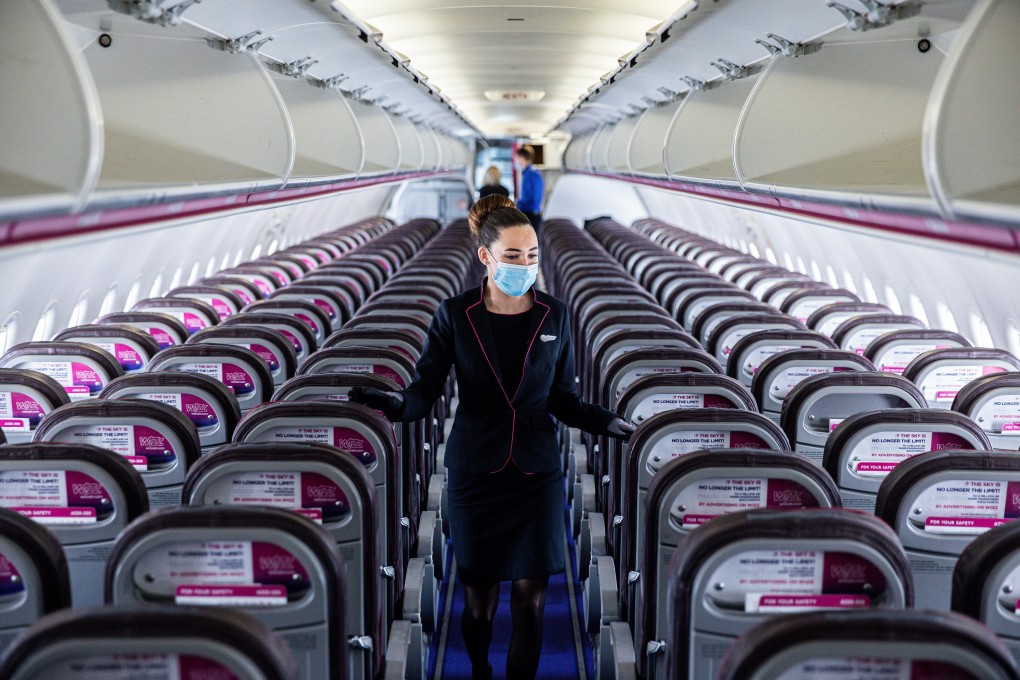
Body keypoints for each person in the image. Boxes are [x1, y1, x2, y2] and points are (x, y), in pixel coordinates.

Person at [350, 195, 634, 680]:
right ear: (486, 257)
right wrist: (396, 405)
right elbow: (426, 389)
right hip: (475, 472)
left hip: (536, 473)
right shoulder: (455, 314)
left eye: (532, 256)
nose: (524, 266)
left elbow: (562, 399)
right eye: (513, 256)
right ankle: (480, 667)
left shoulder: (555, 315)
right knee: (478, 605)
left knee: (531, 601)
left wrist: (608, 421)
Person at [515, 145, 543, 232]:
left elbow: (530, 198)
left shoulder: (530, 174)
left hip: (530, 214)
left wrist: (517, 205)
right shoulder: (532, 173)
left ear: (522, 158)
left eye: (518, 158)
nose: (517, 160)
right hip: (532, 214)